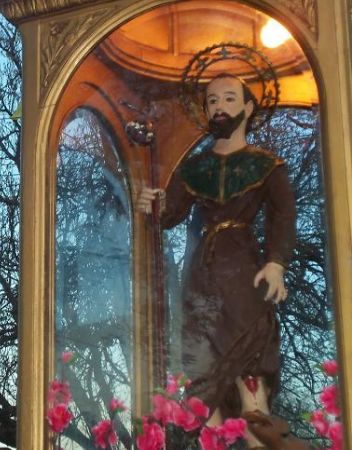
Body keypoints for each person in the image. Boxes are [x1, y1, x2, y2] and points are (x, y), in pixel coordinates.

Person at [138, 74, 296, 448]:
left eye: (228, 99)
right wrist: (152, 204)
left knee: (250, 372)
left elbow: (283, 216)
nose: (219, 107)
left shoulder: (267, 165)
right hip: (202, 281)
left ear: (247, 107)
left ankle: (257, 434)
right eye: (212, 101)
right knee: (204, 380)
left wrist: (276, 263)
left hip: (244, 275)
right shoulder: (195, 168)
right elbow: (169, 212)